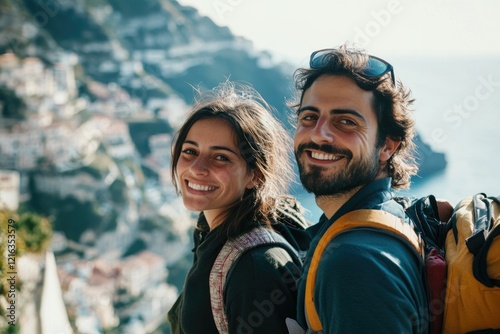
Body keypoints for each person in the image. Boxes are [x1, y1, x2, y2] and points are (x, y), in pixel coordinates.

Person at [288, 44, 430, 333]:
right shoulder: (391, 216)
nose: (319, 134)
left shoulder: (353, 263)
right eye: (309, 117)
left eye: (346, 122)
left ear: (387, 146)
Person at [167, 81, 309, 334]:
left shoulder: (254, 269)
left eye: (221, 157)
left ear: (255, 176)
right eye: (189, 151)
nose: (197, 168)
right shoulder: (209, 232)